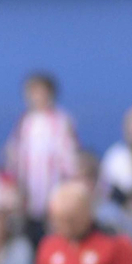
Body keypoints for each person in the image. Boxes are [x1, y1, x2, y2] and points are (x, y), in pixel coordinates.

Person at [6, 72, 79, 247]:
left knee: (54, 240)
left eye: (41, 92)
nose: (36, 97)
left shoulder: (61, 121)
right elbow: (16, 157)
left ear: (50, 94)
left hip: (53, 195)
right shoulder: (24, 122)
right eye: (32, 92)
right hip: (27, 198)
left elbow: (68, 160)